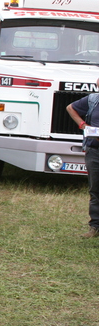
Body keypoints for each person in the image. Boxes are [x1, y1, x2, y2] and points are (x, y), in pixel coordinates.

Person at [67, 82, 99, 238]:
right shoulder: (93, 100)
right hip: (94, 151)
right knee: (95, 190)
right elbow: (70, 108)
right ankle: (95, 227)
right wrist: (83, 125)